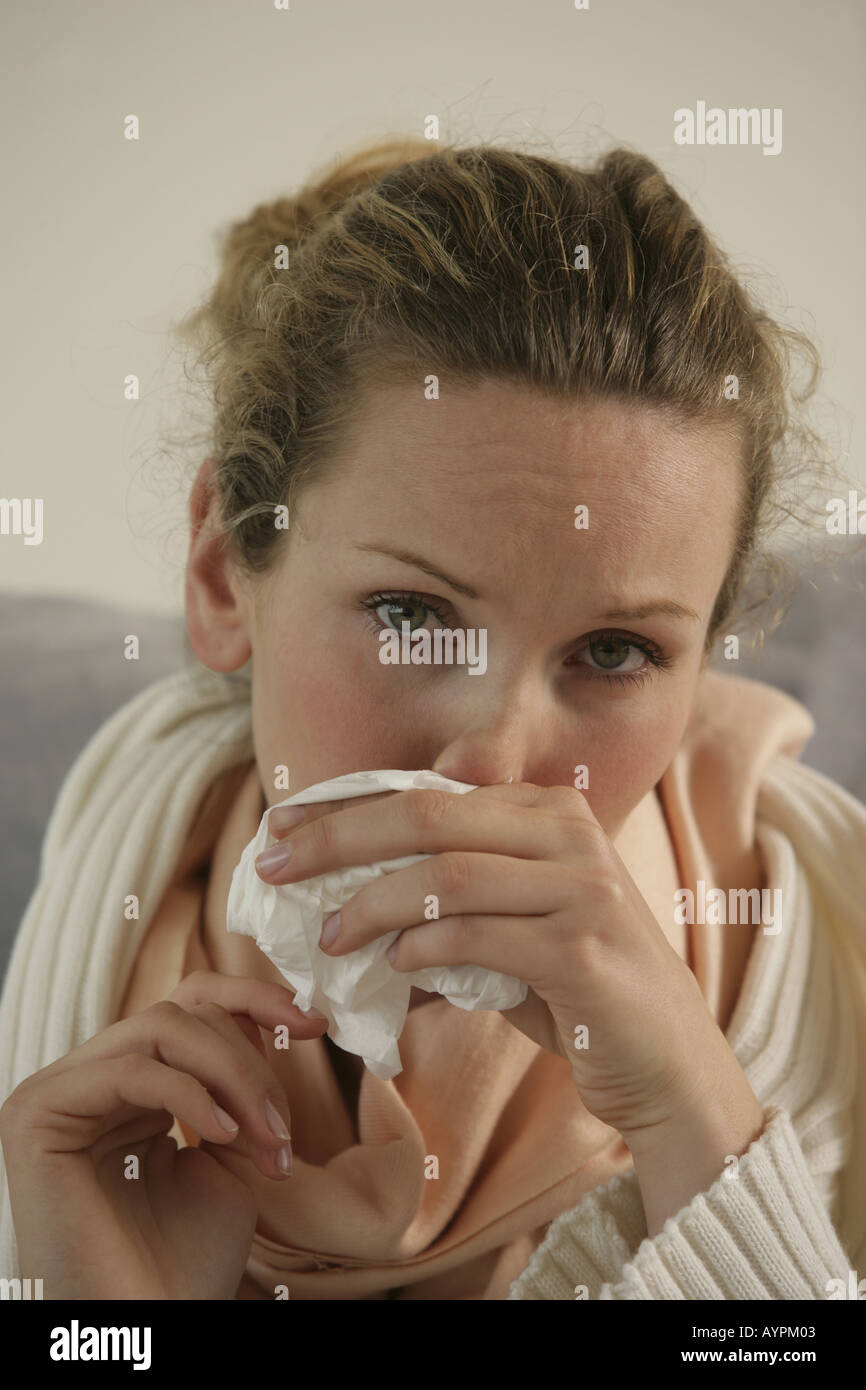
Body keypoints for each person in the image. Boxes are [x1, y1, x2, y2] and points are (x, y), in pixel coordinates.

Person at [1, 136, 865, 1301]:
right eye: (411, 615)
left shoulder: (817, 947)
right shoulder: (95, 953)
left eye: (614, 651)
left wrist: (695, 1124)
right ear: (219, 576)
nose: (494, 757)